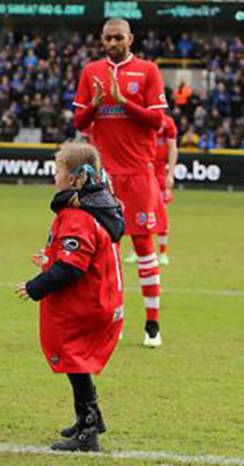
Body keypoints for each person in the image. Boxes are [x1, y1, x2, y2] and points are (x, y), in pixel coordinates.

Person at [14, 143, 124, 452]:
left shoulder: (78, 214)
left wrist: (36, 286)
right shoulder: (97, 207)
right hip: (101, 297)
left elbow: (73, 267)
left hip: (87, 303)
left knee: (74, 359)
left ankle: (88, 429)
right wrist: (50, 258)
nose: (54, 177)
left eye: (58, 171)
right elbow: (81, 254)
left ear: (75, 178)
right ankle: (91, 417)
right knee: (77, 362)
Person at [73, 18, 167, 347]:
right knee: (107, 252)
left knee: (143, 248)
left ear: (130, 38)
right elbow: (80, 121)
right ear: (102, 40)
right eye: (107, 38)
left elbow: (158, 121)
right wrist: (97, 104)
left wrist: (123, 101)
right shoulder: (90, 72)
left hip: (139, 174)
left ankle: (152, 324)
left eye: (118, 38)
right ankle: (115, 320)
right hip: (104, 179)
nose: (112, 43)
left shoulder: (148, 71)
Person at [124, 114, 178, 265]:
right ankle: (135, 251)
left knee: (162, 212)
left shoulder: (167, 122)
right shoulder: (140, 119)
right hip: (141, 170)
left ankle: (163, 253)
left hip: (159, 172)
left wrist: (170, 174)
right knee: (136, 211)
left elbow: (173, 147)